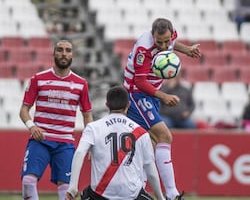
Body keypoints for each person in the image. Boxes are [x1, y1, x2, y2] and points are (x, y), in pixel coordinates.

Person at [123, 18, 201, 200]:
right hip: (136, 94)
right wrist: (164, 96)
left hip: (151, 95)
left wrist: (187, 50)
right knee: (164, 136)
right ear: (152, 36)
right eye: (160, 42)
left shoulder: (170, 37)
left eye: (167, 41)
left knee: (148, 144)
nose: (165, 46)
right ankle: (172, 194)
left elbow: (173, 43)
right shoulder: (144, 48)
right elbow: (140, 82)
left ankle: (137, 191)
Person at [19, 39, 93, 200]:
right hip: (40, 140)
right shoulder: (38, 79)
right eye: (60, 50)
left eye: (67, 50)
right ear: (53, 53)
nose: (64, 53)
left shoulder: (81, 84)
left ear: (72, 55)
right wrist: (32, 127)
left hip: (65, 143)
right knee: (27, 181)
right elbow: (24, 110)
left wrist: (90, 143)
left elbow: (87, 115)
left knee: (67, 190)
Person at [65, 86, 165, 200]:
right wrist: (161, 198)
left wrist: (72, 187)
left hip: (99, 195)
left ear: (107, 105)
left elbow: (79, 154)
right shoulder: (141, 132)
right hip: (131, 195)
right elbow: (150, 170)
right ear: (128, 105)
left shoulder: (93, 128)